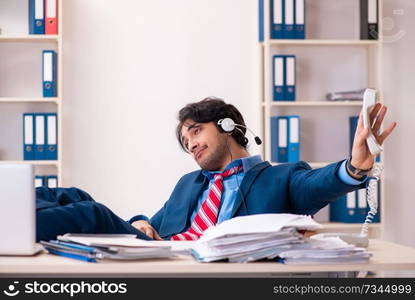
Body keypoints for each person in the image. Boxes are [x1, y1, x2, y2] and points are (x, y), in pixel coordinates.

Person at [36, 97, 396, 242]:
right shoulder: (189, 183)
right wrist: (141, 222)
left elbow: (318, 184)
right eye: (185, 140)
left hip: (205, 263)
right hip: (165, 254)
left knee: (90, 212)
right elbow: (158, 222)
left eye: (196, 132)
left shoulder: (280, 178)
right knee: (71, 196)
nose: (190, 144)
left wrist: (354, 168)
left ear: (227, 126)